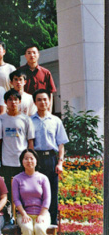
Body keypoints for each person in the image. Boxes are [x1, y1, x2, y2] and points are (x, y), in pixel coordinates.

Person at [31, 90, 68, 224]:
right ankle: (37, 222)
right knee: (36, 191)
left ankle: (52, 224)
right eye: (39, 100)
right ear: (35, 102)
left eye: (45, 99)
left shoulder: (56, 121)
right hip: (36, 159)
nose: (42, 102)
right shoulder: (30, 121)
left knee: (52, 191)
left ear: (49, 101)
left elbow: (61, 144)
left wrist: (60, 163)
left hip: (51, 159)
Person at [13, 149, 52, 235]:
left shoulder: (43, 178)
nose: (29, 161)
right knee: (27, 228)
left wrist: (41, 214)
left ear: (36, 161)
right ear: (22, 161)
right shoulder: (17, 179)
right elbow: (16, 200)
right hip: (24, 214)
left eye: (31, 158)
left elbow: (47, 199)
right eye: (26, 158)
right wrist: (24, 214)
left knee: (39, 228)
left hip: (42, 213)